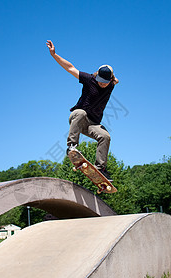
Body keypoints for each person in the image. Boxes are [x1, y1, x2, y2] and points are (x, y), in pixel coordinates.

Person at [46, 40, 119, 181]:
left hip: (93, 124)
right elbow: (70, 68)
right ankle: (72, 147)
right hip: (78, 119)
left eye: (105, 82)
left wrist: (112, 78)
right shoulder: (88, 79)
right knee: (81, 112)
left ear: (110, 80)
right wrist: (54, 54)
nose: (102, 84)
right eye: (100, 80)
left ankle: (100, 169)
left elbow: (116, 79)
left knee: (105, 137)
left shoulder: (111, 85)